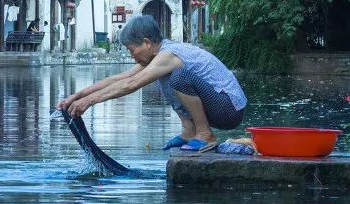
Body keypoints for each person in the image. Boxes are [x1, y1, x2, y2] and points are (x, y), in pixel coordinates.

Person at [58, 15, 247, 152]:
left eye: (131, 50)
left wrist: (89, 103)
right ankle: (190, 132)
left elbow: (131, 85)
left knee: (179, 77)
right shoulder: (157, 57)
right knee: (171, 78)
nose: (131, 55)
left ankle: (204, 135)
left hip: (229, 109)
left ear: (147, 43)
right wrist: (77, 96)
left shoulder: (169, 54)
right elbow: (119, 79)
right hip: (219, 106)